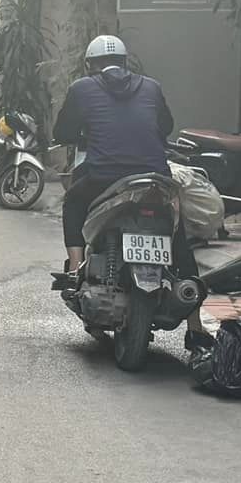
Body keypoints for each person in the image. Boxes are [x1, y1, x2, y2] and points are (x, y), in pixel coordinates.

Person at [52, 35, 209, 348]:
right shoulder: (151, 87)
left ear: (90, 65)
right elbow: (165, 127)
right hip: (155, 179)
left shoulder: (82, 88)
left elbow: (62, 132)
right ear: (125, 62)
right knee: (177, 236)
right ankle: (196, 327)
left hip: (102, 177)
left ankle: (74, 269)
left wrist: (85, 130)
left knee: (73, 202)